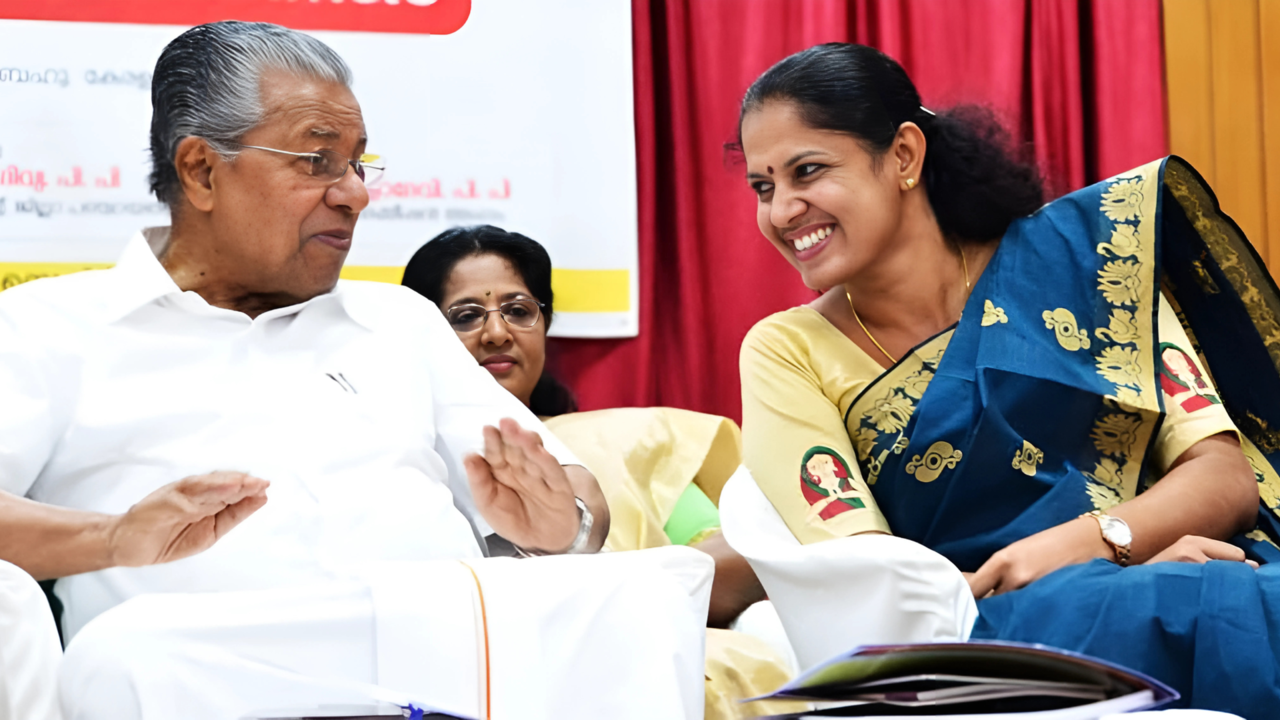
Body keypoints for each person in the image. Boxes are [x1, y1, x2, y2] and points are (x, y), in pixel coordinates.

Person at [0, 21, 714, 720]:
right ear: (201, 169)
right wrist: (114, 538)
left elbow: (575, 499)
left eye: (357, 164)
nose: (355, 193)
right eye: (317, 163)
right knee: (123, 655)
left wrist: (564, 523)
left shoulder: (400, 321)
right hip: (218, 664)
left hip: (443, 651)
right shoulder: (50, 326)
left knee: (650, 591)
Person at [735, 42, 1280, 714]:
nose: (782, 211)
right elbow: (871, 582)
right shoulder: (788, 352)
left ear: (903, 156)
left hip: (1181, 561)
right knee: (1190, 607)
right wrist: (1086, 572)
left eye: (807, 172)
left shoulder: (1084, 263)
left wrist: (1110, 546)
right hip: (996, 625)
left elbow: (1222, 474)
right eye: (764, 187)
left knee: (1238, 597)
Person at [402, 226, 804, 719]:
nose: (498, 332)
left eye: (519, 310)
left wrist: (609, 594)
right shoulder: (402, 467)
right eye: (466, 317)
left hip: (640, 657)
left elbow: (744, 547)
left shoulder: (632, 437)